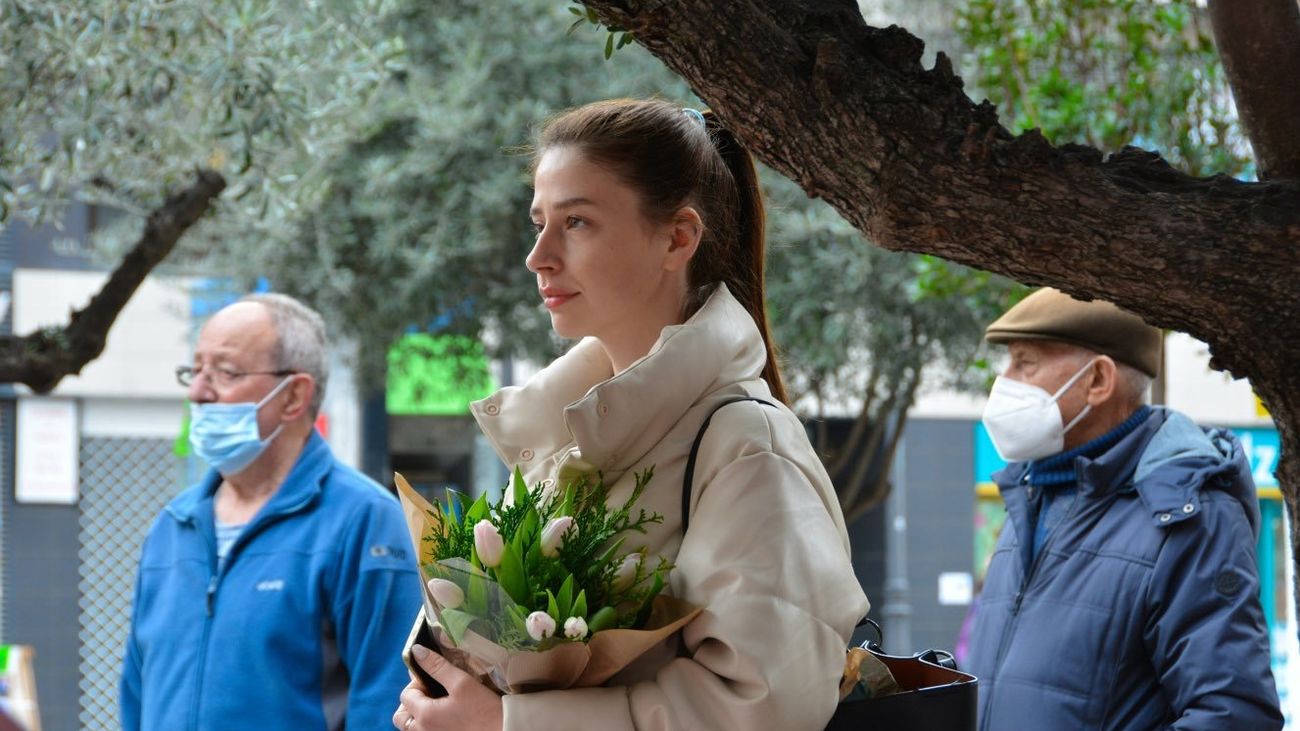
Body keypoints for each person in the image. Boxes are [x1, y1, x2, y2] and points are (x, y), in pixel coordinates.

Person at [394, 99, 868, 731]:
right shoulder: (559, 437)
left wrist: (506, 724)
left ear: (678, 238)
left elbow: (765, 708)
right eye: (539, 223)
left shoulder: (746, 445)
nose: (539, 256)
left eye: (577, 222)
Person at [968, 288, 1282, 730]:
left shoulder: (1188, 516)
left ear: (1098, 380)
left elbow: (1234, 716)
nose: (1005, 381)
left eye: (1025, 363)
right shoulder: (1029, 499)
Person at [121, 293, 422, 731]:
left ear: (294, 395)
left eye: (225, 372)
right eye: (195, 370)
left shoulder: (365, 522)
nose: (198, 392)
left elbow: (387, 705)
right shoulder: (172, 526)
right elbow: (136, 694)